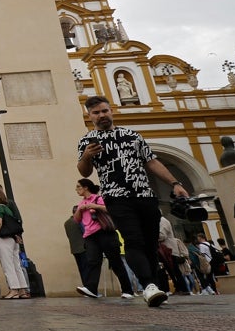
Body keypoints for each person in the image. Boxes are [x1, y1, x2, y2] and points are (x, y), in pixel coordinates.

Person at [76, 96, 189, 307]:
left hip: (144, 195)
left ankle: (153, 286)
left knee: (149, 242)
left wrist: (175, 183)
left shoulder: (132, 136)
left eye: (104, 111)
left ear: (111, 111)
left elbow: (151, 161)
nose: (101, 116)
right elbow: (84, 171)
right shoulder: (87, 141)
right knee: (133, 240)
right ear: (90, 116)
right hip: (116, 197)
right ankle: (148, 285)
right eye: (96, 113)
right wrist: (86, 156)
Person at [72, 178, 134, 299]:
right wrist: (79, 209)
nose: (77, 190)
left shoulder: (98, 198)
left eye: (79, 187)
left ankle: (127, 290)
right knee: (92, 261)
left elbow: (109, 209)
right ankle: (91, 288)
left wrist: (94, 206)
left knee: (115, 261)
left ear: (86, 187)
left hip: (104, 232)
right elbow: (76, 219)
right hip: (90, 235)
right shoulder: (81, 203)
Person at [0, 186, 28, 299]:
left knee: (8, 265)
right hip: (13, 238)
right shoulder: (7, 208)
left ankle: (13, 290)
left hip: (4, 239)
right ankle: (22, 289)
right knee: (16, 264)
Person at [64, 206, 87, 283]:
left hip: (74, 248)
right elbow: (85, 233)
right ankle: (89, 287)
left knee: (81, 269)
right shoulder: (79, 221)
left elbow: (68, 235)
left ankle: (85, 286)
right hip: (84, 248)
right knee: (87, 269)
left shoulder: (67, 223)